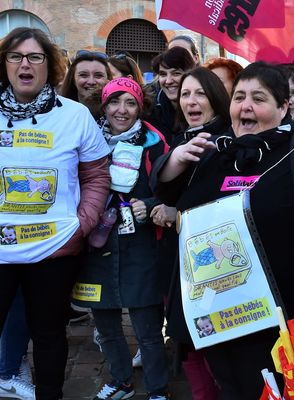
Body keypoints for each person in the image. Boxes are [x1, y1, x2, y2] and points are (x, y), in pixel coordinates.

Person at [152, 62, 294, 399]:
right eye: (239, 96)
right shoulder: (218, 151)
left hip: (274, 318)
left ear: (283, 107)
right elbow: (168, 193)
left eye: (258, 98)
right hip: (218, 313)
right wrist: (177, 159)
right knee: (229, 387)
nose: (245, 106)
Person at [0, 27, 111, 399]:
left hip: (54, 248)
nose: (24, 65)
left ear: (50, 64)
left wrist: (83, 223)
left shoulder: (75, 115)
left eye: (35, 57)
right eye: (15, 57)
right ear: (5, 65)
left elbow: (97, 175)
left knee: (48, 333)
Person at [72, 77, 170, 400]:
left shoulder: (155, 143)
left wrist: (152, 205)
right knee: (107, 326)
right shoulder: (88, 140)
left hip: (140, 248)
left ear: (140, 106)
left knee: (148, 330)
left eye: (130, 103)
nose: (121, 110)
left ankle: (158, 389)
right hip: (96, 249)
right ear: (104, 105)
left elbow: (173, 192)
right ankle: (121, 381)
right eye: (114, 102)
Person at [154, 67, 231, 400]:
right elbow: (163, 188)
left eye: (200, 93)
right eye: (185, 94)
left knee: (215, 344)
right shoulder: (183, 138)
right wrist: (174, 160)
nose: (191, 100)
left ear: (216, 97)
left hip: (215, 264)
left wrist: (178, 211)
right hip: (179, 260)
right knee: (187, 343)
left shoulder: (227, 140)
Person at [147, 47, 195, 145]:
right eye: (163, 74)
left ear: (190, 74)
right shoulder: (149, 111)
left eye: (176, 73)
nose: (168, 81)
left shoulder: (203, 109)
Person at [60, 50, 112, 118]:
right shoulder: (60, 114)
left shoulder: (116, 115)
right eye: (83, 75)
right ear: (73, 79)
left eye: (98, 75)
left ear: (108, 80)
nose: (91, 82)